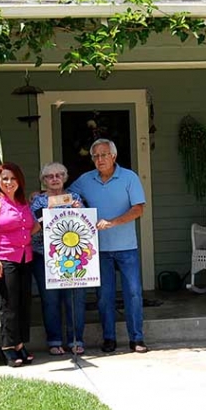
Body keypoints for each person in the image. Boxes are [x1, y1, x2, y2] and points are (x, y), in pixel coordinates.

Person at [68, 138, 149, 354]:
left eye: (104, 155)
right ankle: (109, 338)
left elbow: (138, 209)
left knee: (133, 293)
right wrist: (42, 196)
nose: (100, 159)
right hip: (98, 249)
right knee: (105, 296)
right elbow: (66, 195)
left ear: (113, 156)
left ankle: (137, 339)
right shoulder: (85, 180)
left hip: (126, 247)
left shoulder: (129, 177)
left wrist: (113, 222)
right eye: (95, 156)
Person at [0, 162, 41, 367]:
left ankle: (19, 344)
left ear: (19, 181)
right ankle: (6, 347)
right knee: (10, 305)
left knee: (24, 303)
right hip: (6, 259)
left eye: (13, 178)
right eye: (4, 178)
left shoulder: (22, 201)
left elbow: (31, 228)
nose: (9, 182)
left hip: (25, 257)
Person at [30, 162, 87, 356]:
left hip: (73, 257)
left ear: (65, 177)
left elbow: (85, 224)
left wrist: (78, 210)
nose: (55, 179)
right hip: (44, 256)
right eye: (50, 176)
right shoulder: (38, 201)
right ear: (43, 180)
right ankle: (54, 340)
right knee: (50, 299)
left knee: (75, 299)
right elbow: (33, 226)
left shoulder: (75, 198)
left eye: (59, 175)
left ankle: (76, 340)